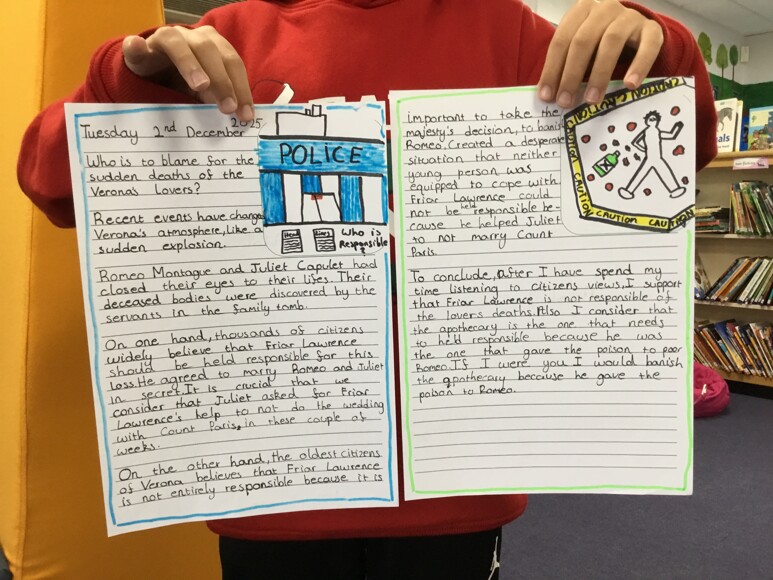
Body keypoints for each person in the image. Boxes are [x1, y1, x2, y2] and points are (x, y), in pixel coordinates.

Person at [17, 1, 717, 578]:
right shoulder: (226, 36)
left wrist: (658, 49)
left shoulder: (505, 30)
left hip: (453, 480)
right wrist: (122, 84)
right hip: (273, 473)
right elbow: (51, 184)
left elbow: (679, 155)